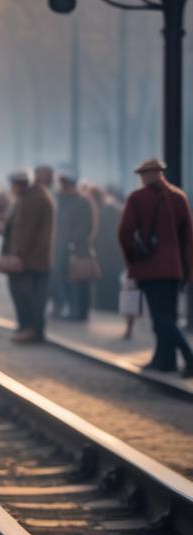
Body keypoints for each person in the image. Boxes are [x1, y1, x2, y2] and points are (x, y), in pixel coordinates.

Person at [118, 157, 193, 376]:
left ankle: (189, 357)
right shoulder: (179, 197)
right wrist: (187, 269)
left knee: (161, 319)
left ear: (147, 175)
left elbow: (125, 233)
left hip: (151, 267)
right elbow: (188, 238)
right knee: (167, 315)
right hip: (175, 268)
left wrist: (133, 260)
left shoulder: (138, 198)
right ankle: (164, 360)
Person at [2, 167, 55, 343]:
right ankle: (32, 329)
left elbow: (23, 231)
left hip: (28, 261)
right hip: (37, 259)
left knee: (26, 297)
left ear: (19, 184)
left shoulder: (30, 200)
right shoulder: (37, 196)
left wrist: (16, 255)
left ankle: (29, 329)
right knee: (35, 297)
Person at [54, 172, 98, 321]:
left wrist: (74, 239)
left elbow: (88, 225)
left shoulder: (83, 202)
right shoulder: (61, 201)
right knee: (65, 280)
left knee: (80, 281)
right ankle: (72, 309)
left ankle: (80, 312)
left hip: (79, 248)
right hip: (62, 248)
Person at [89, 184, 124, 313]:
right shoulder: (109, 209)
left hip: (111, 256)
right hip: (107, 256)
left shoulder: (110, 211)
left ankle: (109, 308)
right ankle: (106, 307)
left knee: (109, 283)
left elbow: (112, 236)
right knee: (105, 283)